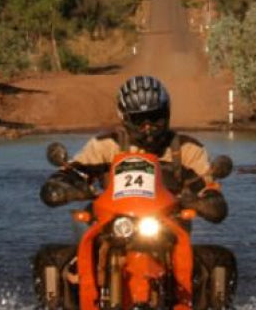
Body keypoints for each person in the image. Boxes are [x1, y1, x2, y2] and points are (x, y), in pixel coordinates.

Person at [39, 74, 228, 222]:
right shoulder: (106, 145)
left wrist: (197, 202)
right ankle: (76, 270)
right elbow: (70, 172)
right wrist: (66, 189)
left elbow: (213, 197)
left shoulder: (188, 149)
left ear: (167, 113)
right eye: (139, 120)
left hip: (168, 224)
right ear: (125, 118)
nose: (148, 127)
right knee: (60, 262)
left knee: (215, 266)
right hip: (111, 223)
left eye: (154, 117)